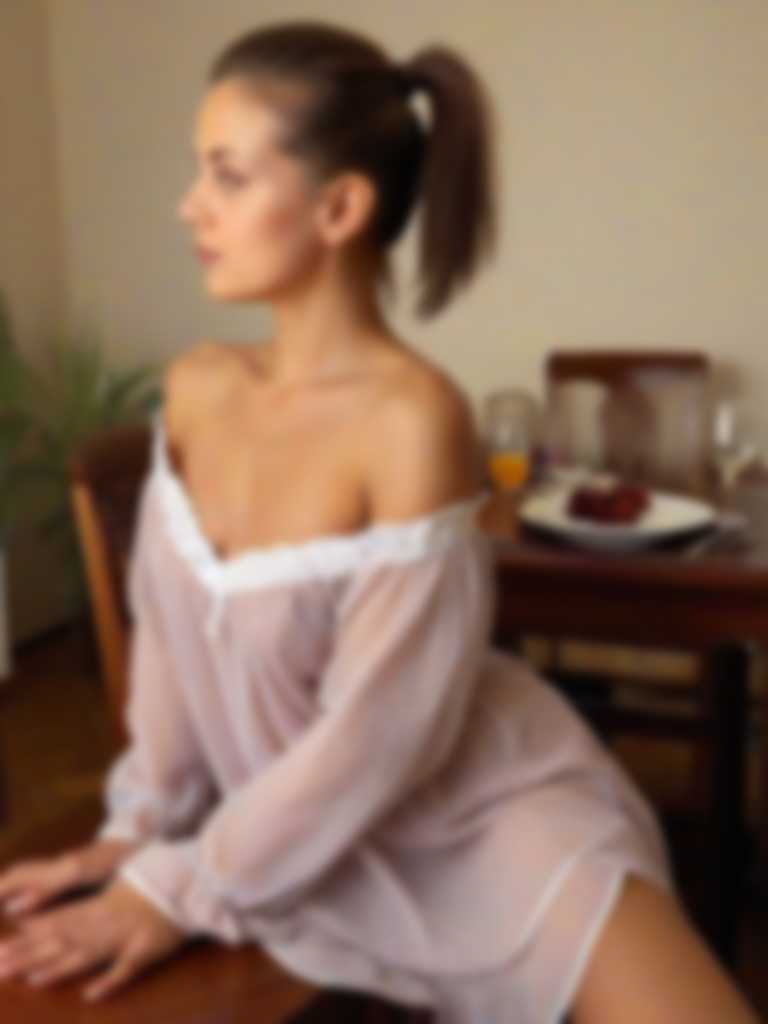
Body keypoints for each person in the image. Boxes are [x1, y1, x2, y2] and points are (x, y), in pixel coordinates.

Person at [0, 20, 758, 1023]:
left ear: (341, 207)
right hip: (271, 843)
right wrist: (141, 831)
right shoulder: (197, 387)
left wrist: (179, 889)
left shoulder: (414, 418)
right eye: (199, 170)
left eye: (227, 175)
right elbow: (174, 647)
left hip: (474, 819)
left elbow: (379, 738)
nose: (191, 204)